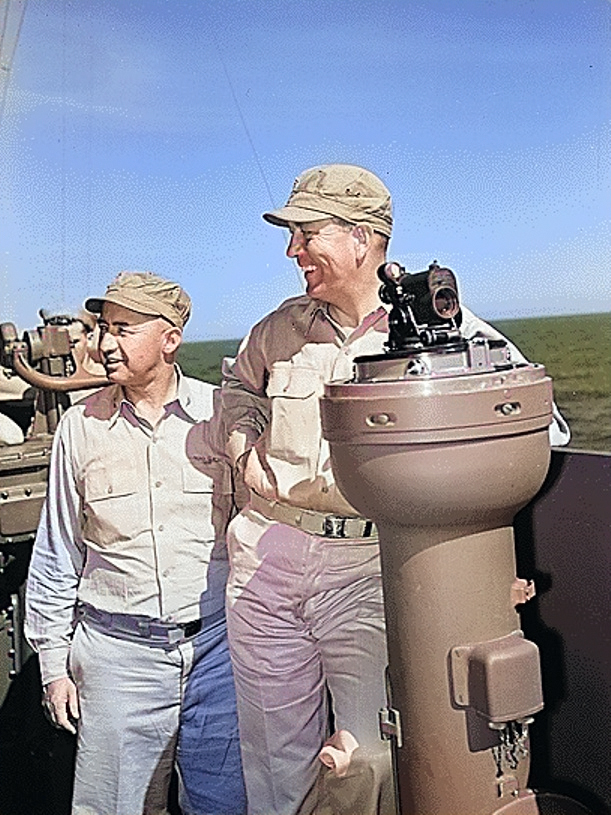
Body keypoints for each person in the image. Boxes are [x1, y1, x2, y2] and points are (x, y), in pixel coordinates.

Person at [221, 163, 570, 815]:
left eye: (306, 233)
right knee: (274, 763)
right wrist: (242, 439)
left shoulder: (442, 328)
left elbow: (540, 424)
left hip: (366, 567)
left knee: (372, 753)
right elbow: (238, 388)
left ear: (361, 237)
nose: (292, 250)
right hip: (265, 562)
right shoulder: (279, 327)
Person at [25, 271, 247, 815]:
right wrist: (54, 664)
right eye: (104, 328)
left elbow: (256, 532)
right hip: (118, 660)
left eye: (124, 329)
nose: (104, 344)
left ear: (170, 339)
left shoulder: (220, 416)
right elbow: (57, 552)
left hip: (218, 656)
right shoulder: (80, 427)